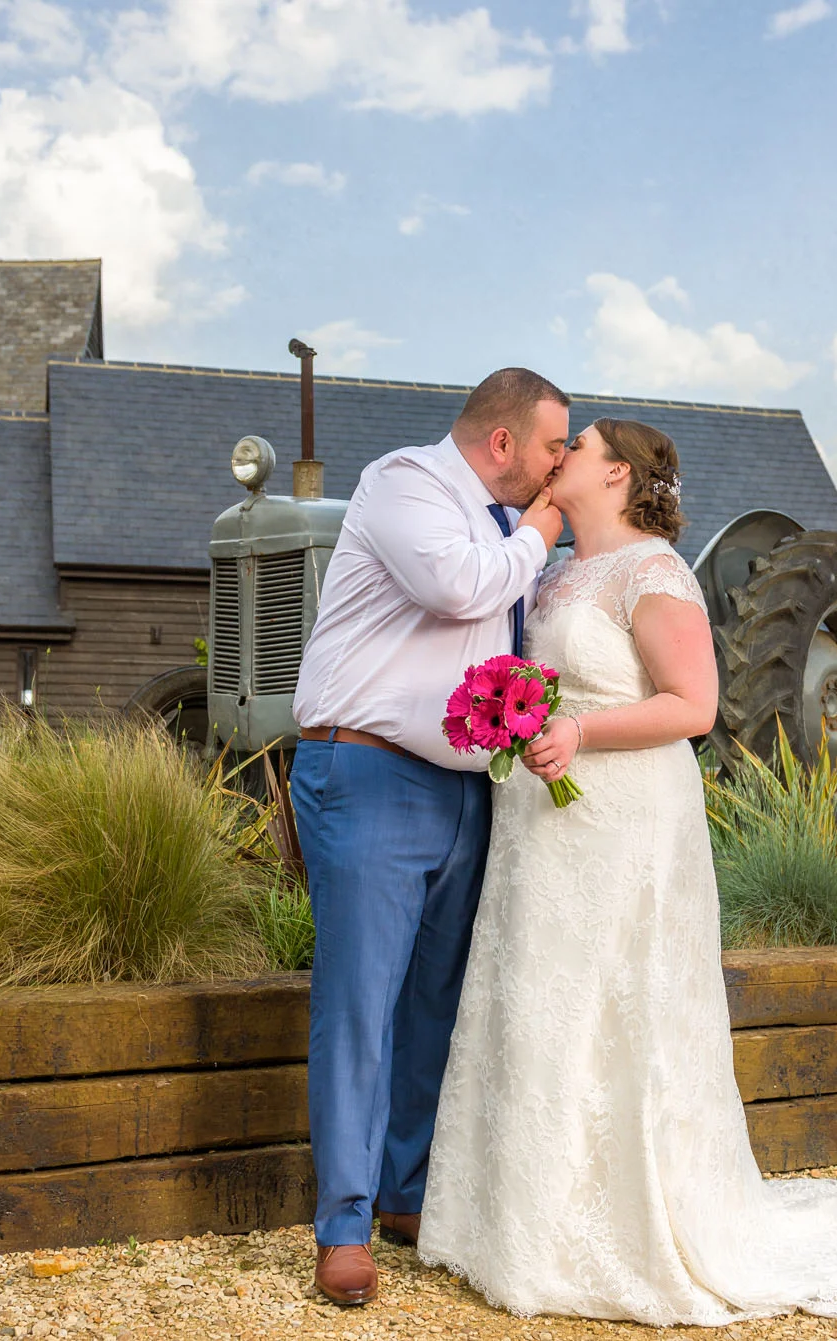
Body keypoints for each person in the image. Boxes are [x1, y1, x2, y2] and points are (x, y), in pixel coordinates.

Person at [417, 418, 837, 1325]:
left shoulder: (653, 572)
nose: (561, 456)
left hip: (624, 819)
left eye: (576, 446)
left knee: (619, 999)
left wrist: (578, 729)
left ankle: (632, 1227)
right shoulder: (552, 573)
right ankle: (517, 1225)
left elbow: (693, 705)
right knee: (539, 995)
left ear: (617, 472)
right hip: (540, 823)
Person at [288, 367, 571, 1307]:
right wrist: (539, 532)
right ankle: (343, 1224)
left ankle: (408, 1194)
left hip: (465, 789)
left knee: (434, 1006)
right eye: (550, 447)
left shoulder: (504, 530)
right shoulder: (406, 483)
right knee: (360, 1000)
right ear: (502, 444)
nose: (559, 466)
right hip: (368, 772)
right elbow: (457, 589)